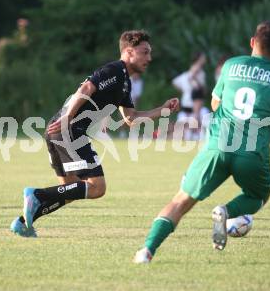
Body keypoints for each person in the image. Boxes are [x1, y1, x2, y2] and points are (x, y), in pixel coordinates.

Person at [134, 21, 270, 263]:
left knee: (180, 201)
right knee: (259, 195)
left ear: (252, 43)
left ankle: (146, 251)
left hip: (217, 146)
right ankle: (226, 211)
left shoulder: (231, 65)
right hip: (251, 153)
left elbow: (215, 104)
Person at [10, 30, 179, 237]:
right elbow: (88, 87)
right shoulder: (115, 70)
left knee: (71, 190)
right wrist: (69, 117)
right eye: (145, 52)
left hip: (59, 130)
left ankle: (23, 223)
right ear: (128, 51)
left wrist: (162, 110)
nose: (149, 58)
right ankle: (36, 194)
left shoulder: (125, 83)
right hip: (70, 130)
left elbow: (131, 118)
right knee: (97, 187)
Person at [172, 52, 207, 140]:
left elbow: (175, 82)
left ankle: (191, 137)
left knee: (191, 125)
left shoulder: (188, 74)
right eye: (203, 58)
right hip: (192, 104)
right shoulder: (197, 73)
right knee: (194, 123)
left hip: (189, 104)